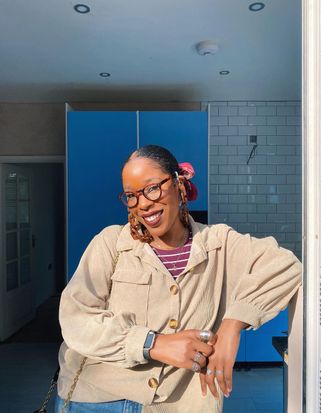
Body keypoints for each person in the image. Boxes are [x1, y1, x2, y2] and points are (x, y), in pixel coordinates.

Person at [55, 144, 302, 413]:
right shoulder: (110, 243)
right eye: (131, 195)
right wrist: (153, 344)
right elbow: (76, 319)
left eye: (152, 187)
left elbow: (286, 265)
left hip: (182, 404)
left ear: (178, 184)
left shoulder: (218, 243)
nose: (144, 203)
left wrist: (233, 324)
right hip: (98, 399)